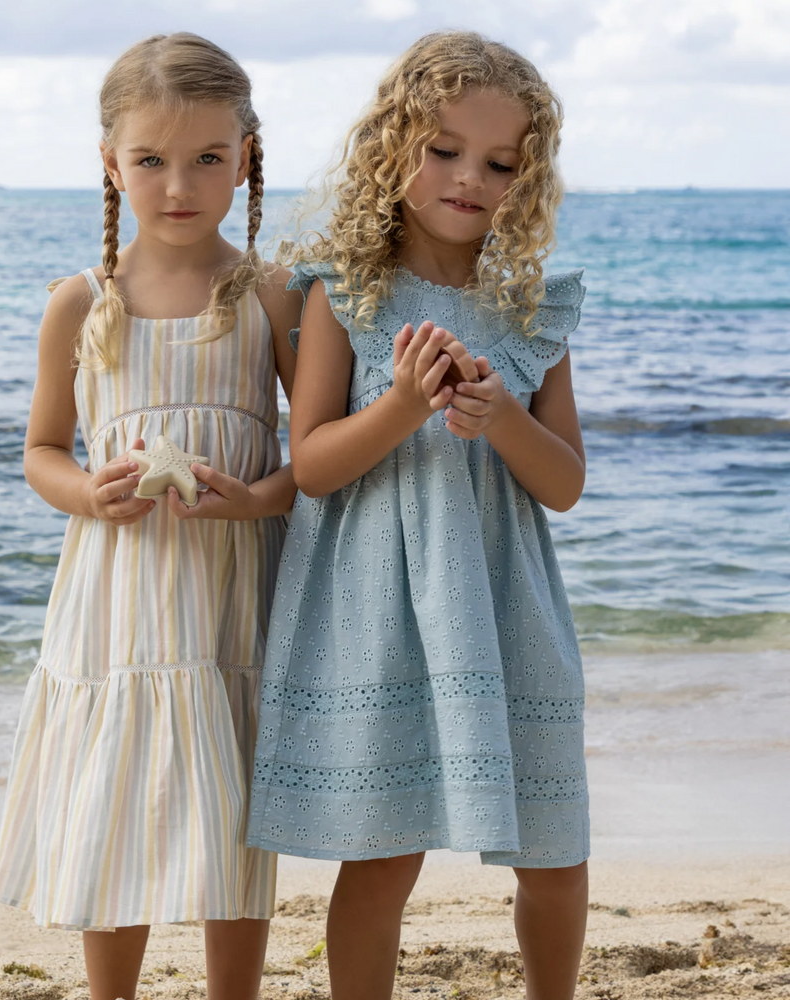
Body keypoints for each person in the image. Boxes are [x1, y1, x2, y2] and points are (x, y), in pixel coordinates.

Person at [247, 31, 589, 1000]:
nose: (468, 178)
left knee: (553, 851)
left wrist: (504, 417)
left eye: (499, 163)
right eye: (443, 149)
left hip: (504, 607)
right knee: (382, 853)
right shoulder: (347, 293)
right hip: (381, 612)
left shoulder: (531, 305)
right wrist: (400, 405)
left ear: (526, 179)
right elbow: (311, 465)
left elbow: (561, 483)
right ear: (391, 143)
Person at [0, 33, 300, 1000]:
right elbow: (43, 451)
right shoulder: (83, 303)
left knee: (234, 813)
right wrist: (87, 492)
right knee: (115, 802)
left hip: (232, 588)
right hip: (118, 595)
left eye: (209, 157)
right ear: (110, 163)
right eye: (151, 160)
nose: (179, 184)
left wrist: (254, 497)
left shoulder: (274, 297)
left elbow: (313, 458)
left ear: (246, 155)